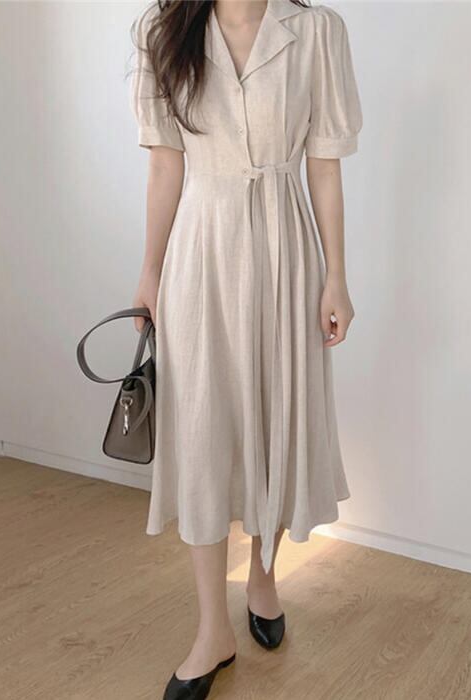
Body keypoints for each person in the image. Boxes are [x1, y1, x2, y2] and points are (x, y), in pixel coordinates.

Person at [130, 1, 362, 697]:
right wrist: (150, 272)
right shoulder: (161, 30)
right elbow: (165, 166)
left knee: (277, 414)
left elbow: (324, 166)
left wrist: (336, 276)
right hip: (201, 250)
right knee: (202, 431)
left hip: (287, 248)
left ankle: (263, 575)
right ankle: (212, 629)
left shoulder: (316, 30)